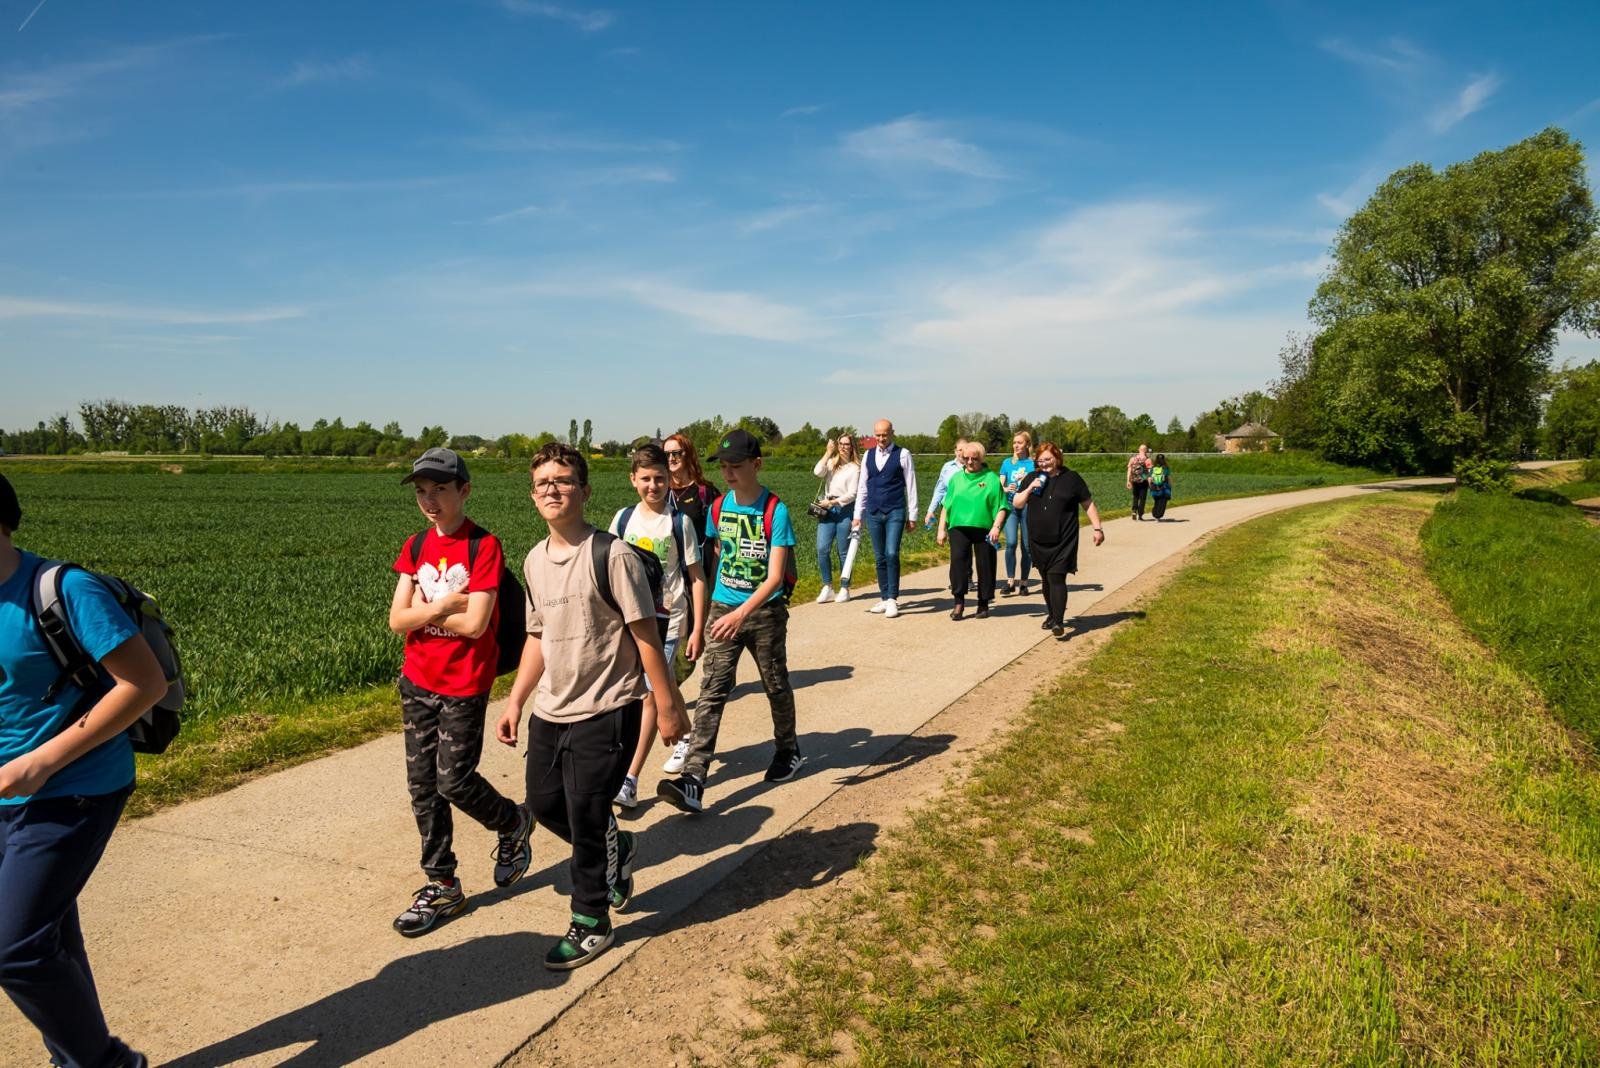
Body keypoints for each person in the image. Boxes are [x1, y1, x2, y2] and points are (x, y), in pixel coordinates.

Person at [497, 443, 690, 970]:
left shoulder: (614, 555)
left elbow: (646, 635)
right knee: (543, 804)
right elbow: (537, 636)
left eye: (562, 480)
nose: (552, 490)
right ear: (533, 496)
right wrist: (515, 698)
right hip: (551, 708)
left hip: (609, 705)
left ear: (584, 490)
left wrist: (668, 705)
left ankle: (591, 919)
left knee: (584, 815)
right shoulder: (535, 560)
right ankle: (618, 850)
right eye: (542, 483)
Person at [0, 473, 162, 1068]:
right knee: (45, 937)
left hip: (75, 788)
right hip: (5, 795)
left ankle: (104, 1064)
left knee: (13, 949)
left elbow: (143, 684)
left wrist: (40, 761)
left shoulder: (63, 589)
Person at [387, 447, 532, 937]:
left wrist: (425, 609)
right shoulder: (415, 546)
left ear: (464, 491)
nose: (430, 500)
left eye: (440, 490)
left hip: (465, 685)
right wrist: (445, 602)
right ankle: (441, 883)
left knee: (453, 781)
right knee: (422, 788)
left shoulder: (483, 547)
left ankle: (512, 822)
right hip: (418, 682)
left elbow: (474, 627)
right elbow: (396, 620)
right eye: (422, 491)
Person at [658, 429, 802, 814]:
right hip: (724, 610)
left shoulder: (776, 510)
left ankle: (788, 749)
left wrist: (743, 613)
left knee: (775, 684)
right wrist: (708, 615)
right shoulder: (719, 508)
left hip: (764, 613)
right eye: (723, 466)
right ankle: (693, 779)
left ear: (756, 464)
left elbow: (774, 577)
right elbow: (718, 557)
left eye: (735, 466)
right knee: (712, 690)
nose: (728, 473)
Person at [608, 444, 707, 809]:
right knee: (649, 690)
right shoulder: (622, 521)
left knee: (651, 695)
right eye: (646, 479)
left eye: (660, 479)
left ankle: (629, 781)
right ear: (633, 480)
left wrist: (696, 630)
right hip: (630, 621)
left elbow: (696, 578)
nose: (654, 486)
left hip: (668, 622)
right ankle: (686, 735)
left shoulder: (679, 524)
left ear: (670, 480)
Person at [1011, 442, 1105, 637]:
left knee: (1056, 576)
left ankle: (1059, 621)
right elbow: (1017, 503)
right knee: (1045, 577)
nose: (1044, 464)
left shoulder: (1072, 479)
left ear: (1058, 458)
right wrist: (1029, 489)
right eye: (1041, 460)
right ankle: (1052, 615)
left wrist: (1097, 528)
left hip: (1064, 538)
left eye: (1048, 459)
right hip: (1038, 538)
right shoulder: (1032, 478)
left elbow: (1087, 504)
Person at [852, 419, 919, 619]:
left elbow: (911, 484)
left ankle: (892, 599)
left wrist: (913, 515)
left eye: (885, 434)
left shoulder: (903, 454)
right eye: (878, 435)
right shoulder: (868, 455)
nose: (881, 438)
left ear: (891, 433)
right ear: (874, 434)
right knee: (879, 555)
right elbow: (863, 486)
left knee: (891, 553)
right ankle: (883, 596)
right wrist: (858, 515)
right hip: (873, 511)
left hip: (895, 511)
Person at [936, 442, 1006, 620]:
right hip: (959, 527)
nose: (969, 462)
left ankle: (983, 603)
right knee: (958, 563)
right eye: (965, 458)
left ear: (981, 459)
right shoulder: (956, 479)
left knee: (985, 564)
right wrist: (941, 529)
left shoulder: (991, 479)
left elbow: (1002, 506)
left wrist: (996, 527)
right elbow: (946, 505)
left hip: (985, 529)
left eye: (974, 459)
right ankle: (959, 602)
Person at [812, 431, 861, 604]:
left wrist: (833, 503)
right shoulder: (832, 463)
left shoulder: (855, 468)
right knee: (822, 548)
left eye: (847, 444)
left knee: (843, 551)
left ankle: (845, 587)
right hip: (827, 510)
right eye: (841, 444)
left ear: (852, 447)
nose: (843, 447)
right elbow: (817, 471)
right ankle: (827, 586)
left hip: (844, 510)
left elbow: (853, 494)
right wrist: (827, 453)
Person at [664, 433, 719, 568]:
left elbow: (719, 537)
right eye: (666, 454)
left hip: (700, 564)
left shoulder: (705, 491)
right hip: (670, 569)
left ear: (687, 455)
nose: (671, 458)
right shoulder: (661, 491)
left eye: (676, 453)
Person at [998, 431, 1036, 596]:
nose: (1016, 445)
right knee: (1011, 543)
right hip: (1011, 507)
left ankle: (1024, 583)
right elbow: (999, 486)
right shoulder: (1007, 463)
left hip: (1028, 507)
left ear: (1027, 444)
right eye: (1014, 442)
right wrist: (1006, 489)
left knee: (1026, 546)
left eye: (1020, 442)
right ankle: (1010, 581)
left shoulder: (1033, 464)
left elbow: (1040, 484)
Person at [923, 437, 968, 529]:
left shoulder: (974, 468)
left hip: (969, 510)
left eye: (965, 449)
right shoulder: (948, 467)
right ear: (955, 451)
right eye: (960, 450)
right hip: (949, 510)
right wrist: (930, 511)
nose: (962, 453)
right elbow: (940, 490)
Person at [1126, 444, 1153, 521]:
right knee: (1142, 498)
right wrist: (1150, 483)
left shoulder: (1133, 459)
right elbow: (1150, 472)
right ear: (1146, 450)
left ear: (1138, 449)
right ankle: (1140, 514)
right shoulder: (1148, 460)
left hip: (1134, 480)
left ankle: (1134, 511)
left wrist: (1128, 481)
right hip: (1144, 481)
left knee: (1135, 496)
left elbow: (1129, 470)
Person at [1149, 453, 1175, 520]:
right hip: (1164, 487)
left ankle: (1155, 513)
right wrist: (1170, 485)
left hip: (1155, 486)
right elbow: (1168, 477)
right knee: (1163, 501)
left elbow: (1150, 478)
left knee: (1157, 500)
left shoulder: (1153, 468)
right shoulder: (1165, 468)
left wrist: (1150, 486)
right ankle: (1158, 515)